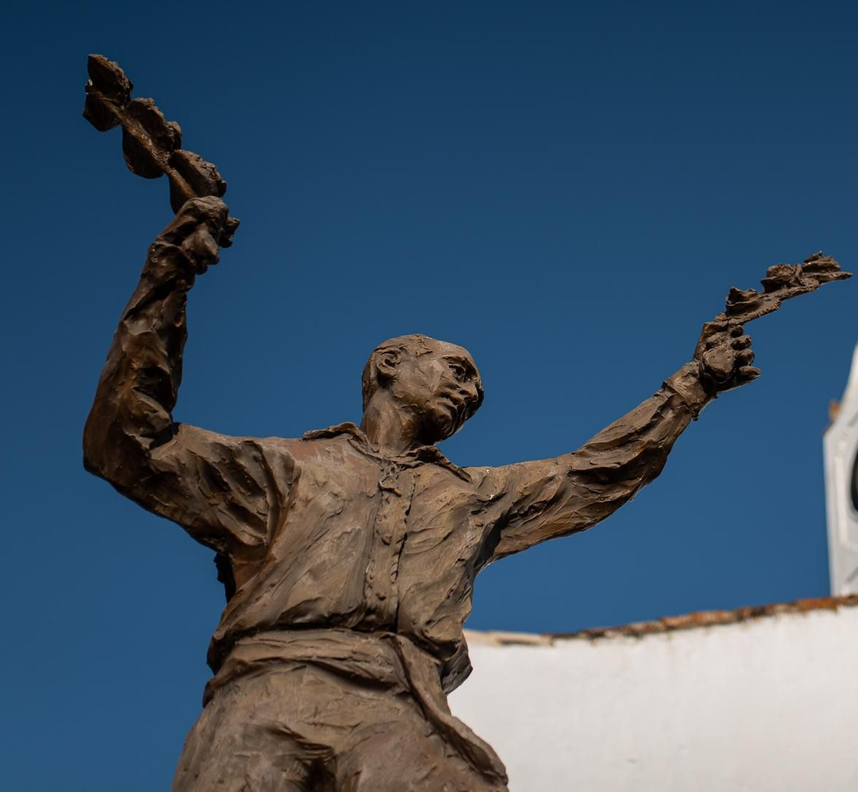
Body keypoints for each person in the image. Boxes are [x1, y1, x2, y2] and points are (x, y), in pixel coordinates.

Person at [84, 195, 758, 792]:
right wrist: (171, 272)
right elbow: (129, 444)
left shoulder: (471, 497)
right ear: (388, 365)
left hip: (402, 711)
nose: (471, 394)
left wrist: (692, 386)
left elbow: (594, 473)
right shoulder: (283, 470)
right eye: (459, 372)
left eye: (477, 392)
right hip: (266, 695)